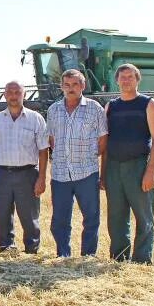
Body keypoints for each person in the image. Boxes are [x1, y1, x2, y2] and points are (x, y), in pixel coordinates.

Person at [104, 63, 154, 265]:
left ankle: (142, 260)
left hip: (138, 166)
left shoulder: (148, 104)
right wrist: (103, 174)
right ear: (117, 81)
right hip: (114, 166)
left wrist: (150, 172)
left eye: (130, 76)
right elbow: (104, 142)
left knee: (143, 215)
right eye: (123, 77)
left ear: (138, 79)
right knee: (116, 216)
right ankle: (119, 257)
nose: (126, 80)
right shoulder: (111, 106)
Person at [0, 80, 49, 253]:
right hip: (2, 174)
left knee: (29, 216)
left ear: (24, 94)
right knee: (3, 215)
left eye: (17, 92)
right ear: (4, 95)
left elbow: (43, 150)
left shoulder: (36, 118)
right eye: (10, 92)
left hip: (27, 174)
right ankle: (6, 249)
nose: (13, 95)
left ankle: (32, 251)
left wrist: (42, 178)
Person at [46, 69, 107, 257]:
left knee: (91, 218)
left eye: (75, 84)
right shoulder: (53, 110)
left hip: (86, 172)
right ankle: (63, 255)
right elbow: (51, 139)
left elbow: (103, 139)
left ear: (83, 85)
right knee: (59, 220)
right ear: (62, 86)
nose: (70, 88)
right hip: (60, 173)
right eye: (67, 84)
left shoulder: (94, 108)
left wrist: (90, 157)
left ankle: (87, 256)